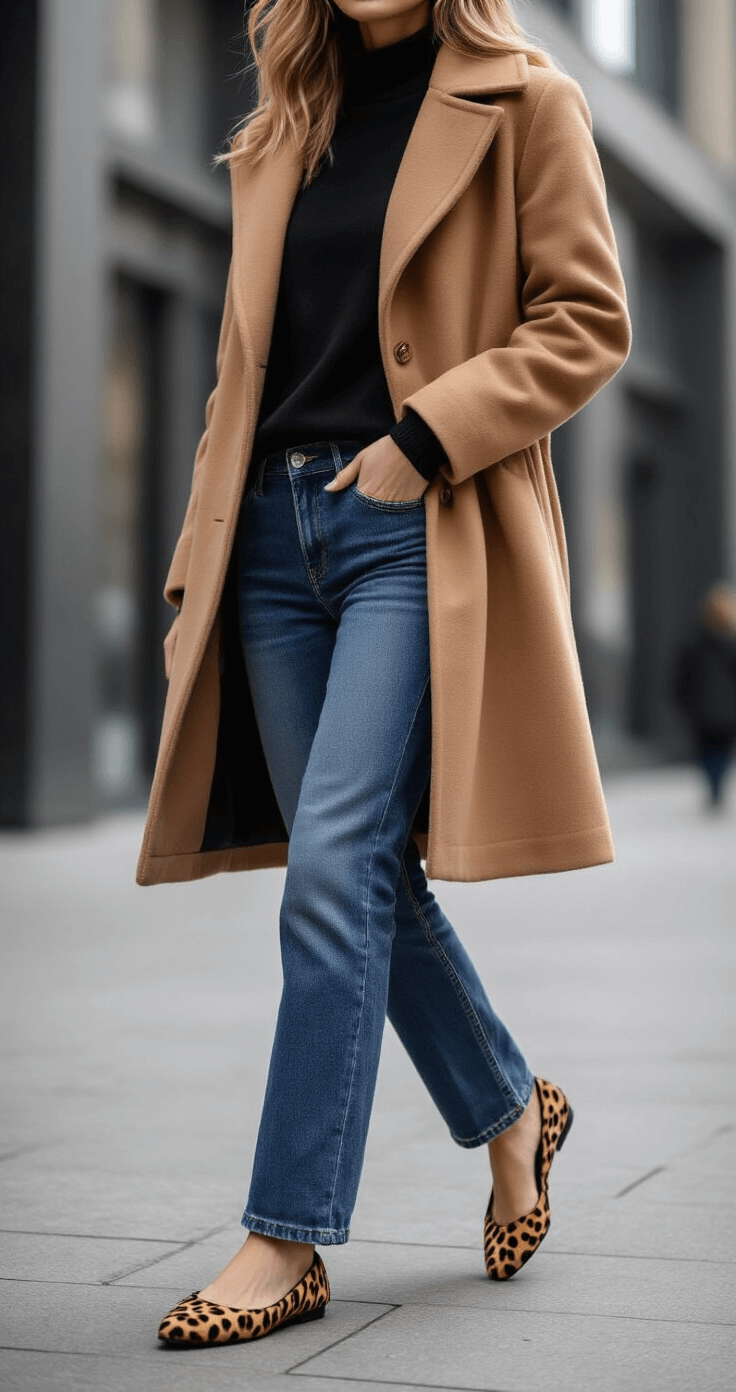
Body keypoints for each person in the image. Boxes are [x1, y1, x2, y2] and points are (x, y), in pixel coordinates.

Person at [139, 0, 631, 1348]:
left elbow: (588, 321)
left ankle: (286, 1235)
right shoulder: (284, 126)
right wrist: (199, 554)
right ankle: (513, 1107)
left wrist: (426, 437)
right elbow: (243, 380)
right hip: (270, 545)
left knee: (331, 866)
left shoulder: (528, 103)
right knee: (356, 871)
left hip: (412, 528)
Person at [673, 583, 736, 807]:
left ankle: (714, 787)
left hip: (703, 710)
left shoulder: (694, 642)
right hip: (723, 711)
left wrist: (682, 701)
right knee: (719, 751)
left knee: (707, 751)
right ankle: (716, 787)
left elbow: (681, 678)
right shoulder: (723, 643)